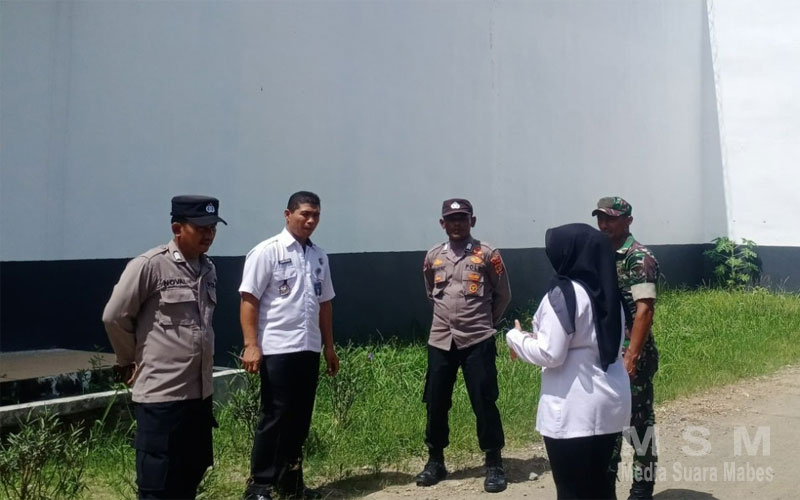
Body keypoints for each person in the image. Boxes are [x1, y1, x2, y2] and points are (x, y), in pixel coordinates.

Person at [102, 195, 226, 500]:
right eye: (201, 228)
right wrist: (128, 359)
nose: (209, 234)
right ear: (177, 228)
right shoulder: (150, 266)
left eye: (212, 227)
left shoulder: (208, 269)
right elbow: (114, 316)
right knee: (157, 485)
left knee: (189, 476)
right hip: (162, 396)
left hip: (198, 396)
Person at [506, 223, 631, 500]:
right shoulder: (610, 292)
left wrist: (515, 338)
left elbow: (551, 353)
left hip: (574, 407)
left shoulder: (564, 293)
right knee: (601, 487)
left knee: (571, 489)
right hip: (610, 402)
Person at [239, 191, 339, 500]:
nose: (310, 220)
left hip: (307, 347)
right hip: (277, 348)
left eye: (316, 215)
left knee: (300, 417)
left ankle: (291, 482)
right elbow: (249, 299)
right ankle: (259, 484)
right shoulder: (267, 251)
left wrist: (329, 347)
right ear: (288, 214)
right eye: (304, 214)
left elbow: (325, 304)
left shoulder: (319, 256)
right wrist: (251, 345)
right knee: (275, 415)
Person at [417, 198, 512, 493]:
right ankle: (435, 460)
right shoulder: (433, 256)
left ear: (472, 221)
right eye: (451, 219)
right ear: (442, 223)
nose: (456, 223)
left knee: (484, 400)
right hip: (441, 340)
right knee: (435, 401)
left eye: (462, 218)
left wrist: (485, 323)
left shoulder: (487, 254)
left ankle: (494, 463)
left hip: (477, 339)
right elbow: (431, 293)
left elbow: (503, 295)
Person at [593, 196, 660, 500]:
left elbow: (645, 310)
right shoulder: (600, 254)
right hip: (606, 354)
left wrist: (631, 356)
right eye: (600, 218)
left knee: (638, 425)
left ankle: (642, 487)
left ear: (628, 221)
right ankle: (606, 486)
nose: (604, 224)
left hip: (633, 354)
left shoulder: (638, 258)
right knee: (607, 423)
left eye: (611, 218)